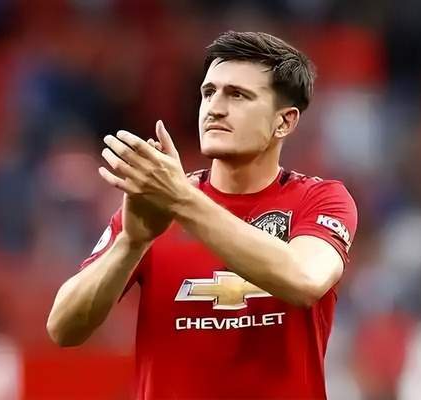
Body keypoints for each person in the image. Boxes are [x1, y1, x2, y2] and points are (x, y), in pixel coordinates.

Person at [47, 31, 357, 399]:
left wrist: (183, 200)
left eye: (238, 95)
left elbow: (304, 279)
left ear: (284, 122)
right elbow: (63, 328)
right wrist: (131, 243)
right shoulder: (156, 202)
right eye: (209, 93)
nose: (215, 108)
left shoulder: (320, 199)